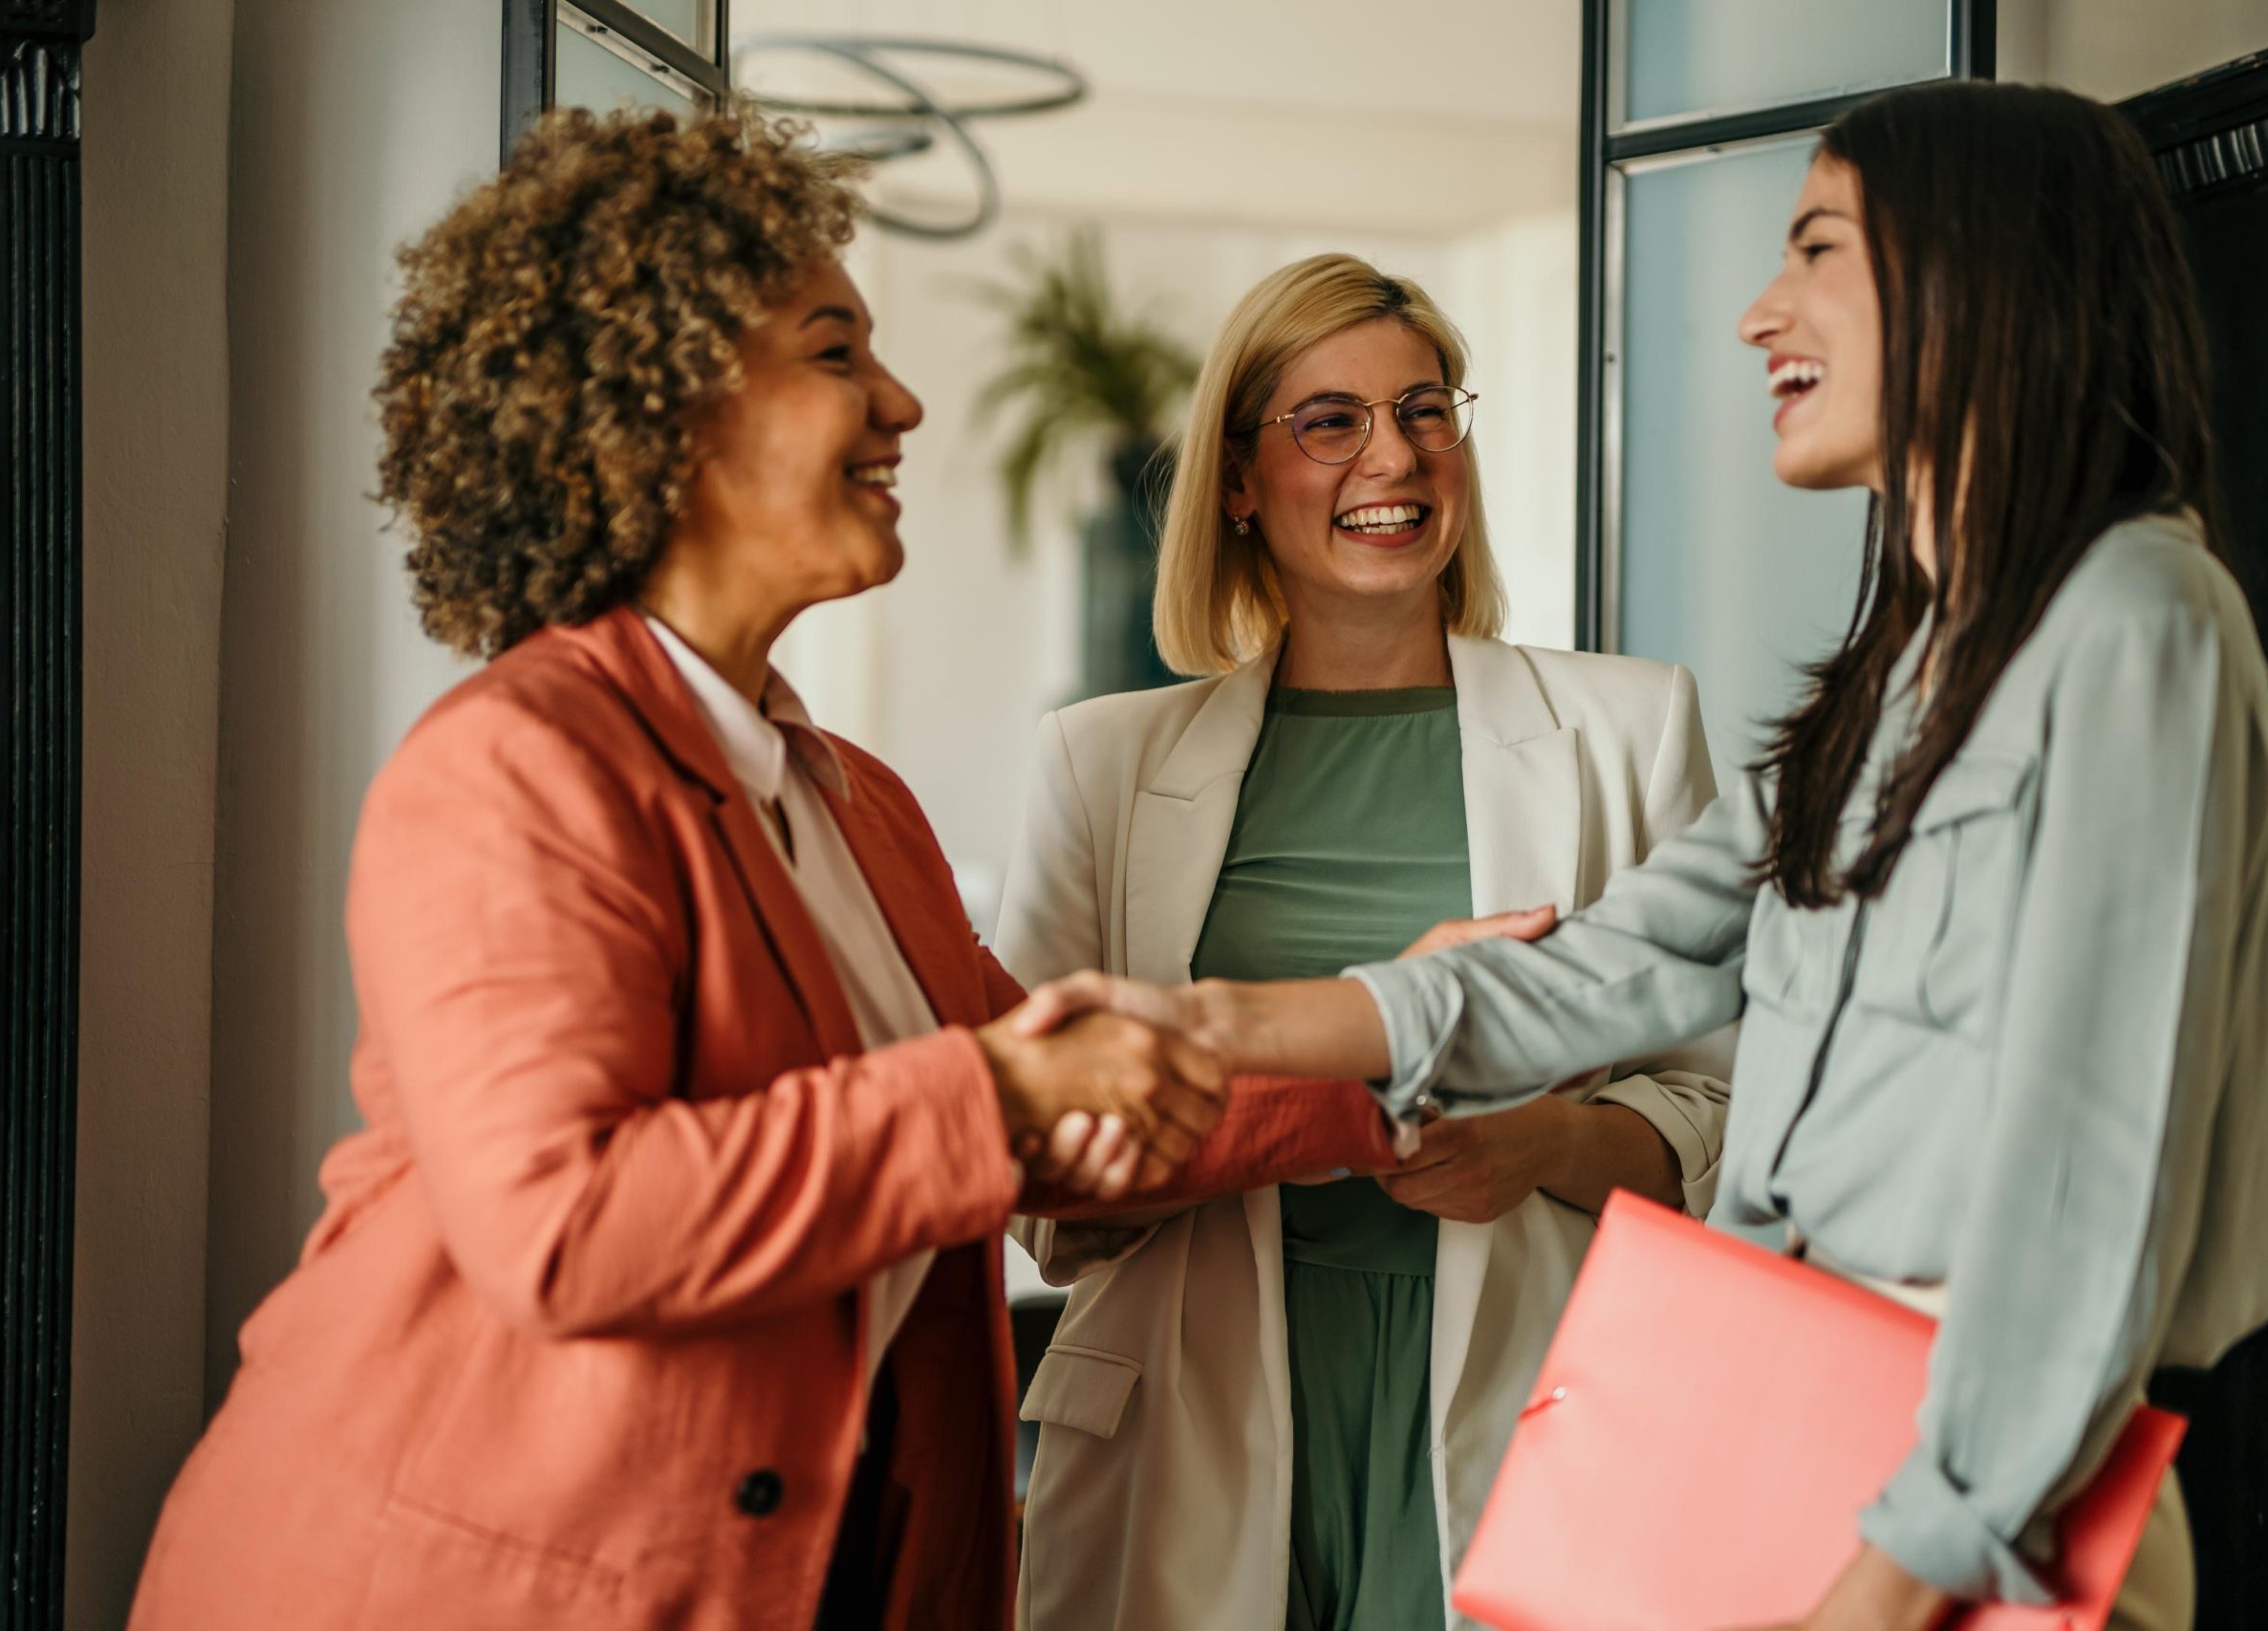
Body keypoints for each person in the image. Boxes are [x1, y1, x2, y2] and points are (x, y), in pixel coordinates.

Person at [1016, 82, 2268, 1631]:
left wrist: (1891, 1577)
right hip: (1795, 1430)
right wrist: (1212, 1025)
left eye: (1815, 248)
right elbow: (1620, 958)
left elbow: (2094, 1177)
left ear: (1981, 276)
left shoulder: (2140, 621)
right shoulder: (1906, 668)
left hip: (1979, 1499)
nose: (1759, 314)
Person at [125, 107, 1396, 1631]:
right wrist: (997, 1090)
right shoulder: (517, 764)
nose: (903, 402)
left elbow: (1066, 1106)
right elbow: (570, 1222)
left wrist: (1412, 1053)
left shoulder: (856, 801)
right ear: (665, 411)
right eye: (836, 350)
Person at [999, 253, 1732, 1631]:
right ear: (1234, 480)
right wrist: (1305, 1110)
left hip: (1541, 1401)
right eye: (1327, 420)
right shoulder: (1097, 763)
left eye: (1425, 410)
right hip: (1184, 1416)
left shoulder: (1631, 728)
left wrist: (1541, 1148)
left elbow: (1724, 1111)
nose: (1393, 455)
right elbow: (1040, 1183)